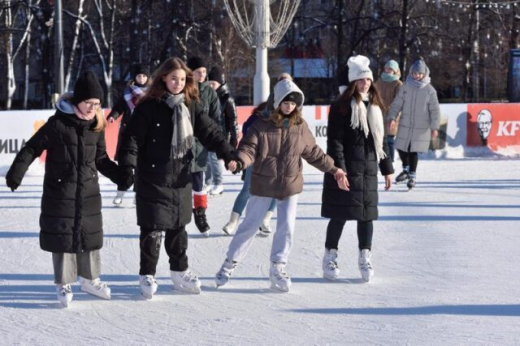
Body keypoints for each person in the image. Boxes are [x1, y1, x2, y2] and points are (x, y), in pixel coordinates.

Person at [5, 71, 127, 307]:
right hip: (60, 191)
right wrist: (16, 172)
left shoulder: (96, 126)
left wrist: (119, 176)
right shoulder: (57, 125)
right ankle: (63, 283)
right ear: (77, 101)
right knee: (63, 237)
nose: (93, 108)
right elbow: (32, 148)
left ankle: (91, 279)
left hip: (88, 191)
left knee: (90, 235)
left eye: (97, 104)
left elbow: (101, 159)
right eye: (89, 103)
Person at [215, 79, 348, 292]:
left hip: (290, 184)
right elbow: (249, 148)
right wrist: (239, 161)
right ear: (277, 101)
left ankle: (278, 267)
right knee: (249, 225)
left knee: (286, 227)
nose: (290, 107)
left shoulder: (300, 126)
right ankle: (229, 263)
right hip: (264, 182)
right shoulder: (261, 124)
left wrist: (335, 170)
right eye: (286, 102)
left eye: (294, 103)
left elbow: (314, 153)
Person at [118, 57, 235, 298]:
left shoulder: (190, 105)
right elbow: (131, 139)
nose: (178, 83)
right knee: (151, 229)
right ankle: (147, 274)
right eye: (173, 78)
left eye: (182, 79)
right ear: (163, 78)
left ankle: (179, 272)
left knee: (178, 227)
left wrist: (229, 153)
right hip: (152, 175)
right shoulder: (148, 106)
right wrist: (128, 167)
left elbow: (211, 131)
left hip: (181, 175)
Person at [321, 55, 394, 283]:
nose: (366, 84)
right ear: (353, 82)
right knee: (339, 215)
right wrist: (339, 171)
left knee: (366, 216)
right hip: (346, 171)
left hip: (369, 170)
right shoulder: (340, 107)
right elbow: (335, 143)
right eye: (361, 80)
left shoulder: (374, 107)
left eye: (368, 80)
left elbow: (380, 142)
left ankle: (365, 255)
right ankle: (330, 256)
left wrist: (387, 169)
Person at [221, 102, 277, 237]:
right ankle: (232, 222)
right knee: (247, 189)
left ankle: (265, 220)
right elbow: (246, 139)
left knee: (275, 191)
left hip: (272, 160)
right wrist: (239, 159)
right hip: (253, 158)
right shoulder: (255, 120)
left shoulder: (281, 119)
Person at [387, 58, 440, 190]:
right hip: (405, 123)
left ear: (424, 74)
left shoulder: (429, 90)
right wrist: (392, 117)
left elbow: (435, 110)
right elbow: (397, 103)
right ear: (411, 73)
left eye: (419, 74)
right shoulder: (406, 87)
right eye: (415, 73)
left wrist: (434, 127)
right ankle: (405, 169)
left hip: (421, 126)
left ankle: (412, 175)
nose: (417, 76)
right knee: (400, 146)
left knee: (413, 150)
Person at [187, 56, 222, 235]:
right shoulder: (182, 90)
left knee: (199, 184)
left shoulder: (210, 93)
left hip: (200, 147)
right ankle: (175, 218)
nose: (202, 75)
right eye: (198, 72)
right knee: (177, 184)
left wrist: (217, 139)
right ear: (190, 73)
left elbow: (216, 119)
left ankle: (200, 215)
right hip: (180, 146)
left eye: (204, 72)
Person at [107, 64, 150, 206]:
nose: (141, 78)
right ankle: (121, 191)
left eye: (144, 76)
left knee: (142, 168)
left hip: (146, 135)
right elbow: (119, 107)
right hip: (128, 134)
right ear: (134, 77)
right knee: (126, 166)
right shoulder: (127, 93)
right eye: (139, 76)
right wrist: (113, 115)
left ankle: (137, 196)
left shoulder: (153, 94)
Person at [374, 59, 403, 162]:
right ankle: (381, 160)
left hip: (391, 115)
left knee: (389, 140)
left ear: (395, 70)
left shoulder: (398, 83)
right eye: (387, 68)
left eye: (390, 68)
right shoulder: (379, 80)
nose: (388, 70)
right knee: (379, 138)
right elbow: (374, 94)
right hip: (378, 113)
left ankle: (389, 162)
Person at [207, 67, 238, 149]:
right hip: (210, 138)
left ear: (220, 84)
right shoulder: (208, 98)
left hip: (225, 139)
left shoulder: (227, 99)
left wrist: (234, 139)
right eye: (209, 83)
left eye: (213, 84)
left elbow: (233, 120)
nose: (210, 86)